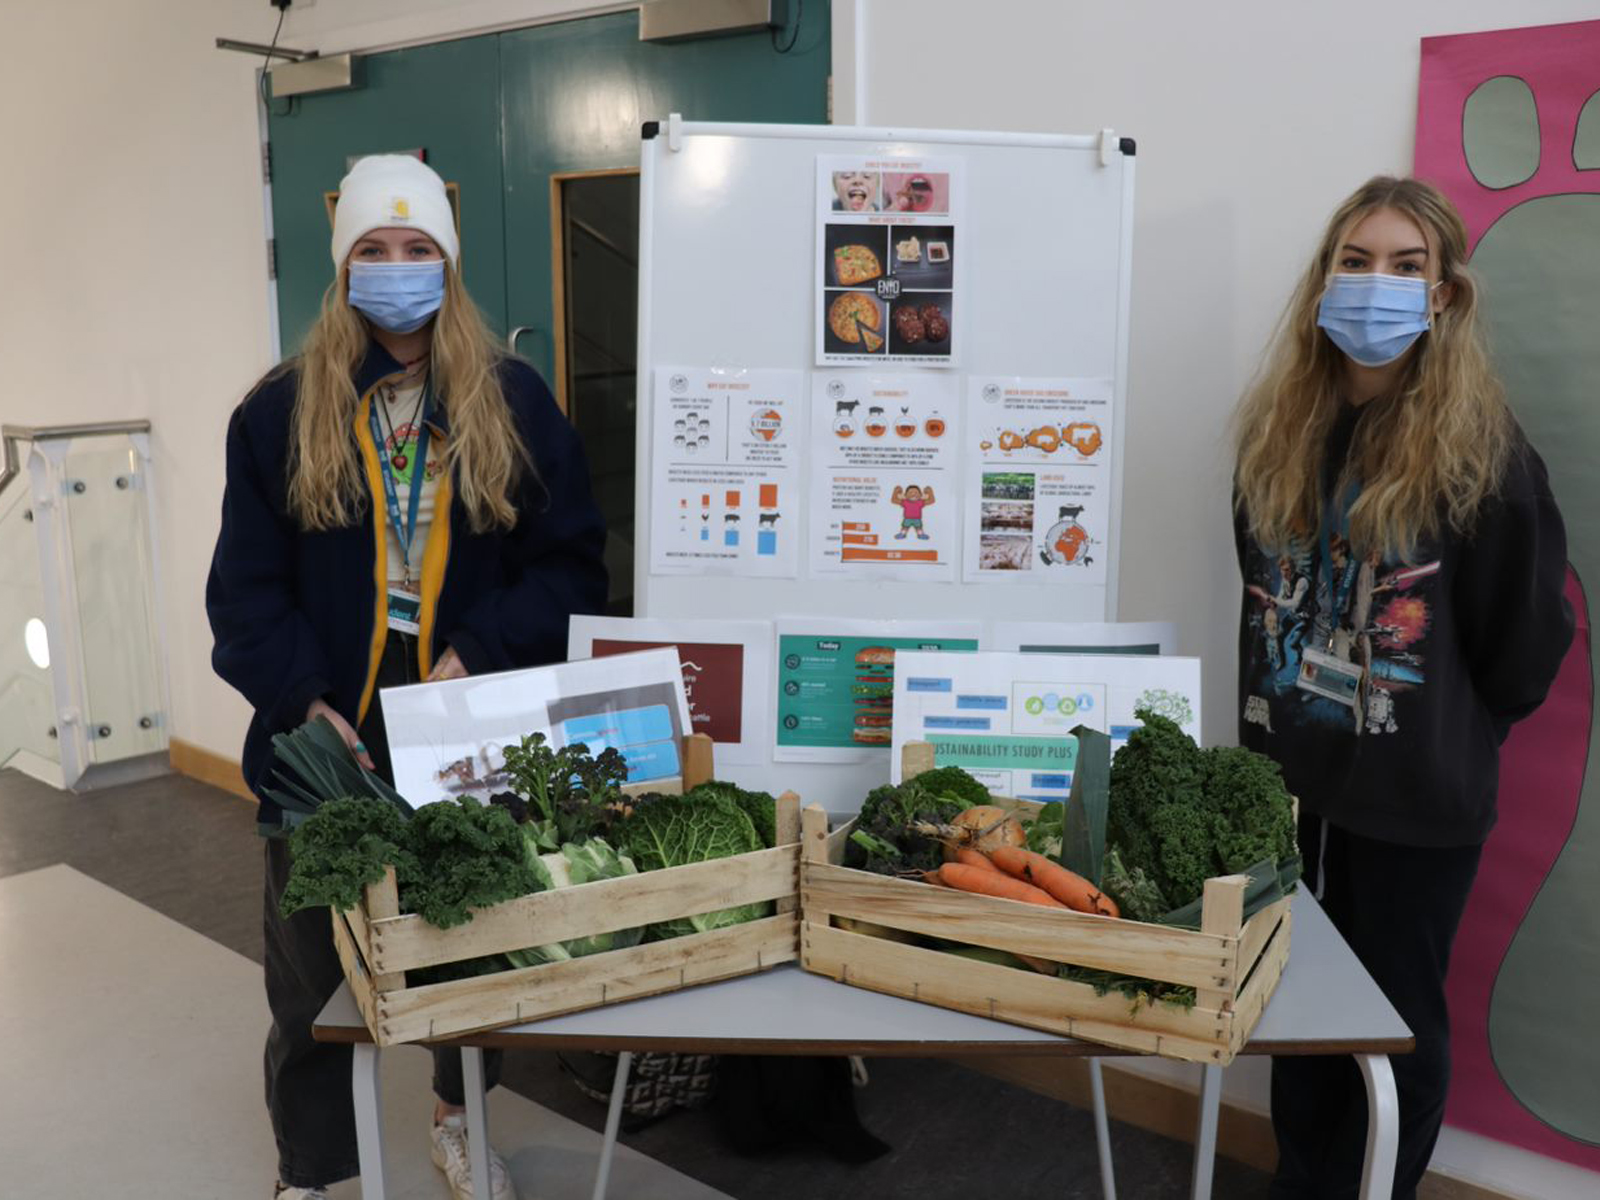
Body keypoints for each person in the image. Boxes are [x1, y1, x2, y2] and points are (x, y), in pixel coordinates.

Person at [207, 154, 608, 1200]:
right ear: (343, 272)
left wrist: (481, 646)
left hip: (460, 724)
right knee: (308, 973)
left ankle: (457, 1120)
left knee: (466, 951)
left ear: (448, 263)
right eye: (373, 252)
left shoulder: (510, 400)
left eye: (417, 249)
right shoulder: (276, 415)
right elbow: (244, 595)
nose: (396, 269)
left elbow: (570, 562)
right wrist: (306, 702)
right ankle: (310, 1167)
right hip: (322, 738)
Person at [1231, 176, 1572, 1198]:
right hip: (1286, 789)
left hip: (1412, 801)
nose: (1376, 284)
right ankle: (1301, 1181)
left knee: (1392, 1031)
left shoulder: (1486, 460)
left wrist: (1432, 735)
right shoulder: (1272, 439)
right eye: (1356, 260)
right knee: (1290, 1009)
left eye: (1405, 264)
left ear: (1444, 294)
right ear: (1323, 282)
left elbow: (1523, 649)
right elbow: (1261, 599)